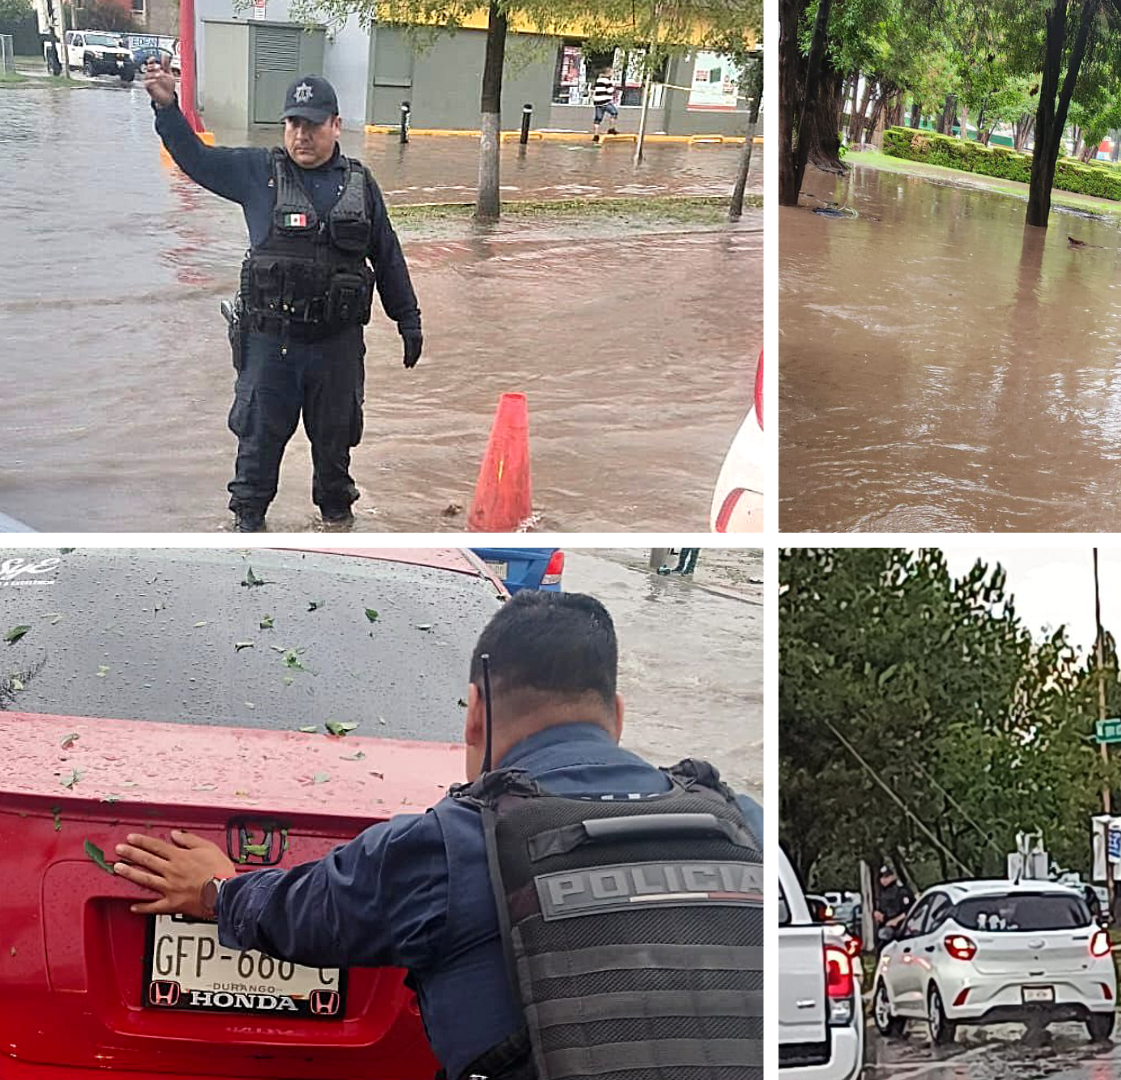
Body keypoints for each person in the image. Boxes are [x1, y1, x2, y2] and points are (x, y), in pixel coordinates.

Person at [108, 591, 764, 1079]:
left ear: (476, 710)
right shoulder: (744, 824)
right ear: (617, 716)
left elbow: (304, 912)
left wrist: (219, 891)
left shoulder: (455, 846)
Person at [142, 60, 424, 533]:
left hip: (336, 348)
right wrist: (168, 108)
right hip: (271, 347)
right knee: (255, 459)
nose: (302, 135)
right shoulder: (257, 172)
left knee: (335, 460)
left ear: (335, 125)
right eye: (294, 123)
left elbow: (388, 255)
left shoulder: (360, 184)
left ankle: (337, 529)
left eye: (313, 124)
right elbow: (195, 159)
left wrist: (408, 319)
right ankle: (246, 538)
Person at [872, 864, 914, 945]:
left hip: (903, 928)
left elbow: (910, 909)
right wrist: (878, 914)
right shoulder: (883, 893)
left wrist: (896, 920)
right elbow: (884, 911)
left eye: (887, 876)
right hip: (886, 927)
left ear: (893, 876)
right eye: (882, 877)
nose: (884, 880)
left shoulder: (902, 891)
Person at [591, 66, 621, 142]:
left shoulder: (598, 80)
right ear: (608, 73)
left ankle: (596, 135)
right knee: (614, 113)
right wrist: (614, 87)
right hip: (605, 101)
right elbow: (610, 91)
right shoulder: (607, 81)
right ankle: (612, 129)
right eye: (611, 73)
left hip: (597, 102)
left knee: (598, 119)